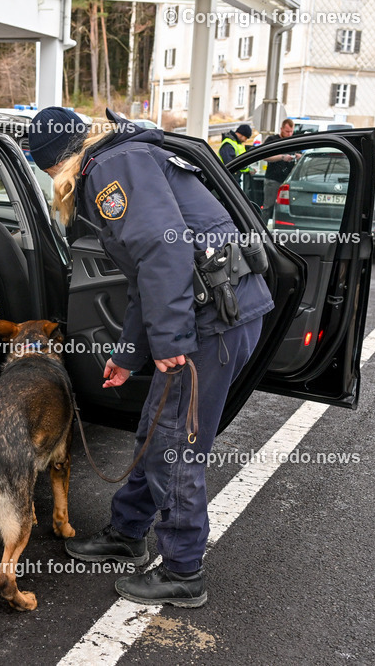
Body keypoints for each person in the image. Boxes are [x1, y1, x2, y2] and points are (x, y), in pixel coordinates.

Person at [28, 106, 275, 607]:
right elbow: (146, 276)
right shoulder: (122, 157)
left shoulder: (111, 171)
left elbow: (167, 254)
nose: (54, 182)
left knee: (174, 445)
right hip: (211, 313)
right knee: (155, 431)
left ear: (58, 163)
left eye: (48, 172)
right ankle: (127, 534)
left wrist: (169, 344)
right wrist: (130, 354)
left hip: (212, 323)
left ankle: (184, 572)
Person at [260, 118, 299, 217]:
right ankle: (261, 230)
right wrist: (282, 157)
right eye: (287, 131)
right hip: (273, 179)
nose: (289, 134)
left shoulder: (294, 141)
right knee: (268, 207)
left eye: (291, 131)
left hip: (287, 181)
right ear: (281, 129)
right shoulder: (272, 140)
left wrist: (298, 156)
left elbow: (302, 155)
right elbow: (264, 156)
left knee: (284, 209)